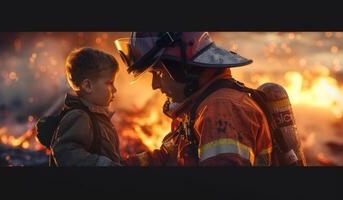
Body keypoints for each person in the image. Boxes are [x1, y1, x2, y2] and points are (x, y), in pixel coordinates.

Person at [115, 32, 273, 166]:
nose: (155, 85)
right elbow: (168, 158)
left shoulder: (221, 109)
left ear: (183, 70)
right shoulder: (198, 108)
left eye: (158, 73)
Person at [48, 47, 121, 166]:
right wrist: (103, 164)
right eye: (109, 83)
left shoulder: (96, 117)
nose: (114, 89)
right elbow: (66, 152)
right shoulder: (80, 117)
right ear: (88, 86)